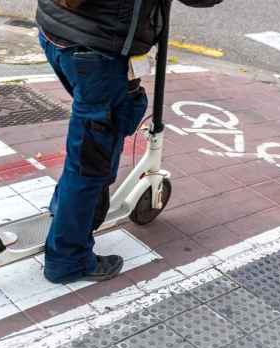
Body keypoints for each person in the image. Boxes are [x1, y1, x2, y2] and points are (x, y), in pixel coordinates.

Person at [36, 0, 222, 284]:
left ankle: (66, 209)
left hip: (56, 31)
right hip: (100, 50)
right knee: (90, 160)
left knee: (90, 140)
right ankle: (68, 260)